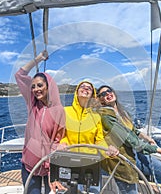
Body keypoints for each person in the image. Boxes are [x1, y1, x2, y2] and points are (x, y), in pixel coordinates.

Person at [96, 85, 161, 194]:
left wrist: (146, 137)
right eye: (103, 94)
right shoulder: (107, 117)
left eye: (109, 91)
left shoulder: (122, 112)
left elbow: (133, 130)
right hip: (125, 159)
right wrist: (160, 151)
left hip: (138, 155)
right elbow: (131, 140)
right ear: (101, 100)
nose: (107, 94)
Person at [15, 50, 66, 194]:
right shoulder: (32, 105)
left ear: (48, 86)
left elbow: (58, 140)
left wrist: (52, 171)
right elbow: (19, 75)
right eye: (33, 86)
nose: (36, 90)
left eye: (40, 85)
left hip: (49, 168)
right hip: (29, 165)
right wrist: (38, 59)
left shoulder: (59, 110)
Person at [58, 81, 118, 193]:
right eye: (82, 86)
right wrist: (63, 143)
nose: (85, 89)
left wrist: (107, 151)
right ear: (76, 92)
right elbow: (62, 134)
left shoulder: (96, 116)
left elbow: (99, 140)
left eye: (89, 88)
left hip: (90, 162)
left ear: (92, 95)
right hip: (69, 159)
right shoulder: (65, 111)